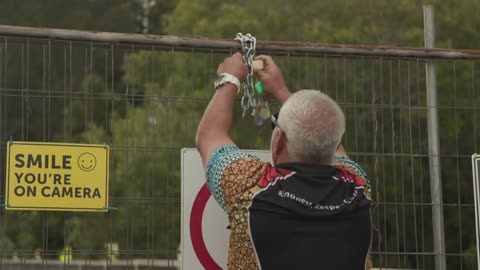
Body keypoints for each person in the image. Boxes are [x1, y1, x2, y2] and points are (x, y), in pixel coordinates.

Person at [196, 53, 372, 270]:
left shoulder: (249, 186)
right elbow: (327, 139)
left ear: (279, 142)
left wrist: (230, 79)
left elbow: (209, 135)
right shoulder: (358, 186)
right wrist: (280, 90)